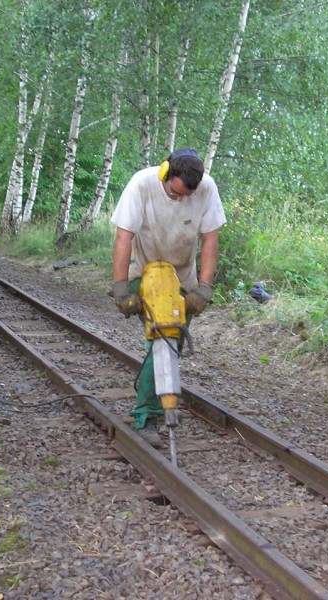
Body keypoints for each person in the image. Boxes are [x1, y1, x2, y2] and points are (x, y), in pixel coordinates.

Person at [111, 148, 226, 448]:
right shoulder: (142, 184)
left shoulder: (207, 188)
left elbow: (210, 238)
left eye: (186, 195)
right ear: (165, 174)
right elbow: (124, 236)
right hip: (143, 272)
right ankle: (147, 416)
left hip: (182, 279)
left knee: (170, 342)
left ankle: (159, 407)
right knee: (162, 336)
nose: (180, 200)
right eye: (174, 194)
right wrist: (122, 288)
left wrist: (204, 287)